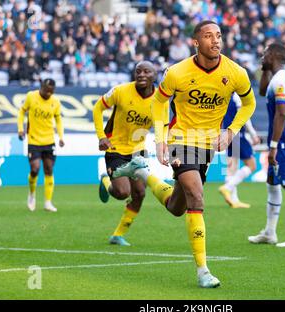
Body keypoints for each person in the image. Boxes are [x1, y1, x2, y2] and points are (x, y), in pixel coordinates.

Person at [112, 21, 256, 288]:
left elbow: (249, 103)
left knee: (176, 207)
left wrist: (232, 131)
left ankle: (142, 172)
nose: (215, 41)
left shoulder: (236, 73)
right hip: (180, 140)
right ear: (195, 42)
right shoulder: (177, 72)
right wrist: (160, 137)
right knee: (197, 195)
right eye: (208, 36)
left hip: (207, 146)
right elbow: (159, 101)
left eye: (219, 36)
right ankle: (203, 270)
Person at [92, 61, 168, 246]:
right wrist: (101, 136)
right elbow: (97, 108)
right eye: (138, 71)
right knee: (121, 192)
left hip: (138, 150)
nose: (141, 74)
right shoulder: (120, 91)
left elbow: (162, 125)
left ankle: (118, 235)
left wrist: (162, 145)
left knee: (140, 193)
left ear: (154, 76)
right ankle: (106, 180)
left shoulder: (160, 100)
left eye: (146, 71)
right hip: (115, 148)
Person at [248, 43, 285, 247]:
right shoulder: (279, 76)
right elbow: (264, 91)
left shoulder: (282, 79)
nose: (261, 56)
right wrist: (265, 70)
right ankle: (269, 232)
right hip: (281, 137)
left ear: (273, 55)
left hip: (284, 138)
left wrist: (273, 146)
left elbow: (282, 114)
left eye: (265, 53)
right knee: (272, 183)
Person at [17, 78, 64, 212]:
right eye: (46, 90)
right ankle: (32, 195)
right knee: (35, 168)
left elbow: (58, 120)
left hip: (49, 140)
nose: (48, 94)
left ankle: (48, 202)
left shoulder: (55, 102)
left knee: (49, 169)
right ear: (41, 87)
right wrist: (20, 129)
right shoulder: (31, 96)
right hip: (34, 140)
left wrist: (61, 137)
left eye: (51, 91)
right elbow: (21, 112)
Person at [218, 93, 261, 208]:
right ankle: (227, 187)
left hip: (226, 134)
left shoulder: (223, 95)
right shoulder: (237, 96)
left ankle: (234, 200)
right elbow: (245, 117)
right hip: (237, 134)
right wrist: (253, 135)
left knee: (232, 168)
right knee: (252, 165)